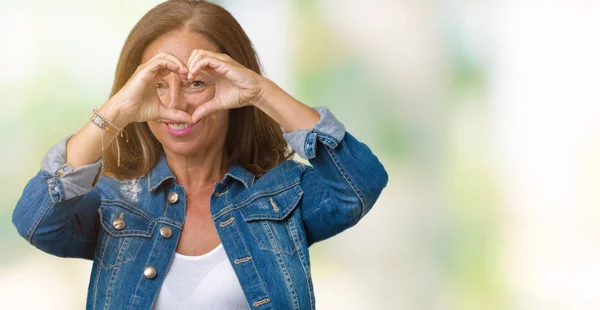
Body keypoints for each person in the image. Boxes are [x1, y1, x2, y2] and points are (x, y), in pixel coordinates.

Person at [12, 0, 388, 309]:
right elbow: (36, 221)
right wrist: (115, 113)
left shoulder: (283, 193)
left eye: (196, 83)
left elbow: (360, 184)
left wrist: (261, 93)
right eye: (157, 85)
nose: (176, 104)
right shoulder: (114, 204)